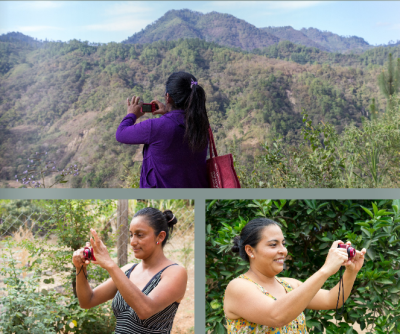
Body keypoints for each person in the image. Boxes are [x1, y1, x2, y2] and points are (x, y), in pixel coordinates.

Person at [224, 218, 366, 334]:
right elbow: (276, 316)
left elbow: (331, 299)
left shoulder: (289, 285)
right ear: (250, 250)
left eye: (283, 244)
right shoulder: (239, 287)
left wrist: (351, 271)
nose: (283, 250)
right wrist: (326, 269)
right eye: (273, 245)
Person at [72, 208, 188, 334]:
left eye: (140, 235)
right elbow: (87, 301)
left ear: (160, 236)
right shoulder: (128, 270)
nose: (132, 242)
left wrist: (111, 265)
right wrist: (80, 267)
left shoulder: (175, 272)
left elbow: (145, 310)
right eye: (131, 234)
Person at [115, 71, 210, 188]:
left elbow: (121, 134)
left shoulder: (156, 127)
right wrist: (168, 113)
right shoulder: (201, 125)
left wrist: (131, 114)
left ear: (168, 97)